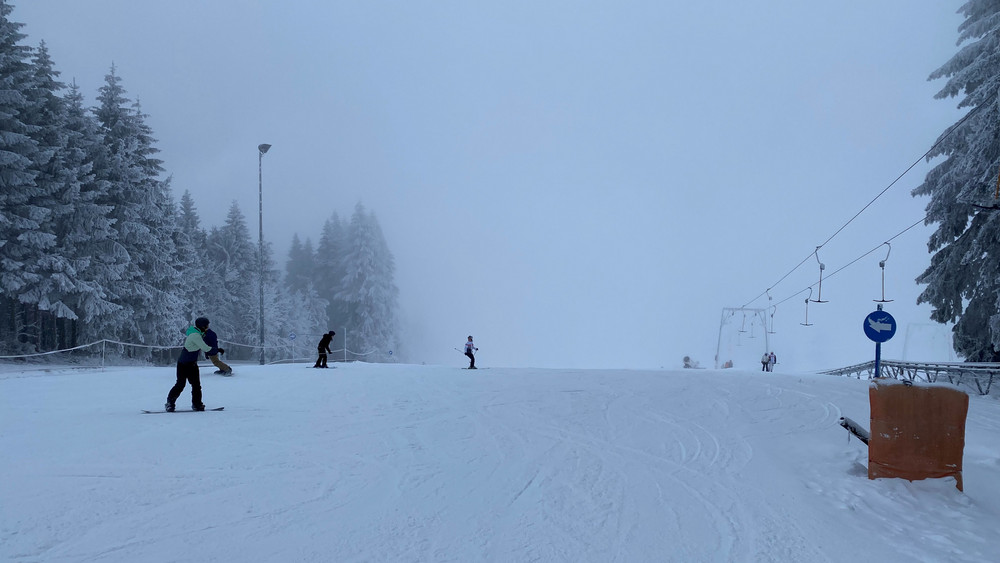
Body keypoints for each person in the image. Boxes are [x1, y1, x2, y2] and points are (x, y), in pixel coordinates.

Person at [166, 317, 214, 412]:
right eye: (207, 325)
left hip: (192, 363)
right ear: (202, 326)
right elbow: (205, 347)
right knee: (180, 384)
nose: (207, 327)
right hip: (184, 364)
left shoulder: (198, 334)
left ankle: (197, 404)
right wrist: (216, 350)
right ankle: (170, 403)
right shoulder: (195, 336)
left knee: (196, 385)